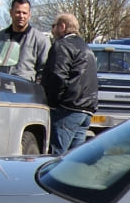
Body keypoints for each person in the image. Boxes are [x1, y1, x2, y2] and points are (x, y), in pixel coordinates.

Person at [42, 13, 98, 155]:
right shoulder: (86, 48)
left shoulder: (62, 46)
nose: (52, 30)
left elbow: (57, 76)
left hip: (68, 109)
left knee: (57, 156)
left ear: (62, 26)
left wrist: (53, 102)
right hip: (86, 109)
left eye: (53, 26)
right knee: (73, 159)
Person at [0, 0, 51, 82]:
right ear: (11, 13)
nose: (21, 16)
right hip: (2, 88)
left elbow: (44, 70)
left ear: (29, 15)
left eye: (24, 13)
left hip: (27, 90)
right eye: (18, 12)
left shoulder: (40, 40)